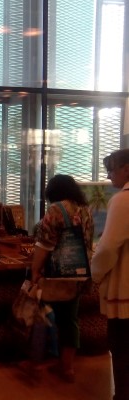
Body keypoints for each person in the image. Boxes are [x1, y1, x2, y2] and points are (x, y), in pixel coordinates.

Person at [30, 174, 94, 383]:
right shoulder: (85, 210)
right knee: (70, 321)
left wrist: (35, 270)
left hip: (56, 275)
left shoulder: (56, 209)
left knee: (43, 317)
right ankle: (67, 367)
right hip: (78, 274)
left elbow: (45, 244)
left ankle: (38, 362)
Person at [91, 148, 129, 400]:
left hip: (125, 287)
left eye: (111, 170)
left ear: (127, 169)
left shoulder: (123, 200)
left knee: (123, 350)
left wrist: (95, 273)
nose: (108, 176)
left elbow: (108, 247)